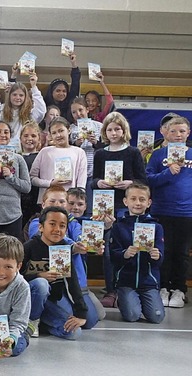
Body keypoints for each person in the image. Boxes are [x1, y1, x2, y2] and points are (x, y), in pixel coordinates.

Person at [91, 111, 147, 306]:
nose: (114, 133)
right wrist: (100, 183)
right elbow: (93, 180)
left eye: (117, 129)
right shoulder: (100, 153)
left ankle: (127, 288)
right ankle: (111, 290)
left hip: (126, 207)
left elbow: (142, 180)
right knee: (107, 250)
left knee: (125, 247)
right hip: (105, 207)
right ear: (105, 131)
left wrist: (129, 183)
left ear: (124, 131)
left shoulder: (132, 152)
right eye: (110, 129)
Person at [146, 115, 192, 308]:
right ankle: (163, 287)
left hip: (186, 213)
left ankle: (179, 289)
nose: (178, 135)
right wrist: (167, 171)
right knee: (163, 251)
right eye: (173, 131)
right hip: (162, 211)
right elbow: (148, 180)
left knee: (181, 253)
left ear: (188, 133)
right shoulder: (158, 155)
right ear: (165, 133)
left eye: (182, 131)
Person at [23, 206, 88, 340]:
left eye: (62, 226)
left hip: (51, 301)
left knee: (74, 333)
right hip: (28, 300)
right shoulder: (28, 247)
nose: (57, 229)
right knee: (41, 284)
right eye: (52, 224)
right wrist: (38, 275)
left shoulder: (64, 248)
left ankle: (43, 324)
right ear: (41, 227)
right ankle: (32, 320)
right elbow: (13, 277)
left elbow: (72, 281)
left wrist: (81, 314)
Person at [110, 183, 165, 323]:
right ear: (125, 201)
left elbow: (160, 259)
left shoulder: (157, 227)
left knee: (157, 317)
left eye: (142, 199)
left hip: (148, 281)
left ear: (149, 203)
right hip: (126, 281)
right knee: (132, 316)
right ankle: (123, 298)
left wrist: (157, 256)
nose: (137, 203)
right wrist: (125, 254)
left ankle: (140, 299)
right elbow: (113, 256)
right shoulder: (118, 227)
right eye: (133, 199)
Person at [30, 116, 88, 204]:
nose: (58, 135)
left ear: (69, 130)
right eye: (54, 133)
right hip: (48, 200)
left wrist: (77, 201)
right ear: (50, 135)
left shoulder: (79, 152)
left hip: (69, 201)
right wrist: (50, 183)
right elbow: (32, 178)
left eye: (61, 131)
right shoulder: (45, 152)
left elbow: (81, 182)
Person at [0, 74, 46, 142]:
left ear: (25, 97)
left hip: (24, 147)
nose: (17, 98)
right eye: (14, 95)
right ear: (10, 96)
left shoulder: (30, 113)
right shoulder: (2, 109)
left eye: (21, 95)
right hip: (6, 147)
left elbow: (41, 110)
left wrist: (34, 87)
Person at [43, 53, 81, 122]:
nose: (61, 93)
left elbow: (75, 83)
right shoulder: (44, 103)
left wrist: (74, 64)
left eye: (64, 91)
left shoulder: (70, 101)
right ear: (52, 91)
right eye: (58, 91)